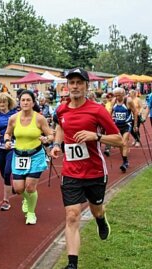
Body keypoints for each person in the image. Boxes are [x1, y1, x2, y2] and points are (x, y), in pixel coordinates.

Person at [50, 68, 122, 269]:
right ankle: (72, 264)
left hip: (95, 172)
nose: (74, 86)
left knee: (96, 209)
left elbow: (118, 140)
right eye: (71, 82)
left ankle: (100, 219)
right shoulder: (61, 110)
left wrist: (96, 136)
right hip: (70, 172)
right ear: (67, 86)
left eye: (79, 82)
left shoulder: (97, 110)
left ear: (86, 86)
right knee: (72, 215)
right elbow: (60, 127)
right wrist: (56, 145)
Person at [4, 90, 54, 225]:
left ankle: (31, 213)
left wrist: (46, 139)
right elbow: (7, 133)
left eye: (28, 100)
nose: (25, 102)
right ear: (19, 102)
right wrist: (7, 141)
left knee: (30, 187)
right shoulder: (13, 118)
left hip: (35, 155)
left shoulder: (39, 118)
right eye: (23, 100)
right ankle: (27, 198)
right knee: (19, 189)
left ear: (33, 103)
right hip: (19, 156)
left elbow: (51, 134)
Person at [0, 93, 17, 211]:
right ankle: (10, 184)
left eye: (4, 102)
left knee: (7, 172)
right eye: (0, 102)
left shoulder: (15, 114)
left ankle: (6, 200)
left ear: (8, 103)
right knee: (3, 173)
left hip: (13, 146)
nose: (2, 104)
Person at [111, 87, 138, 172]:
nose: (117, 97)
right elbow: (110, 112)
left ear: (123, 94)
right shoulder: (114, 100)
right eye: (116, 95)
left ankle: (125, 163)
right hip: (117, 125)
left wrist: (135, 125)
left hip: (127, 124)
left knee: (124, 142)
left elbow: (135, 112)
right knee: (120, 144)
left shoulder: (128, 101)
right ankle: (125, 160)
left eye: (119, 95)